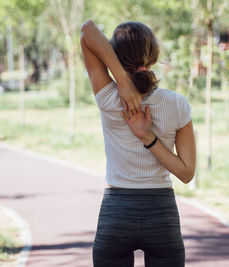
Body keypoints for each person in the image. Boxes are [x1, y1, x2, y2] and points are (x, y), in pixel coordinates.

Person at [80, 19, 196, 267]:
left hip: (116, 215)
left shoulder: (109, 99)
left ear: (114, 55)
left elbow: (87, 31)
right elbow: (186, 174)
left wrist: (120, 79)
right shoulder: (177, 104)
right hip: (161, 217)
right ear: (153, 55)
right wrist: (150, 139)